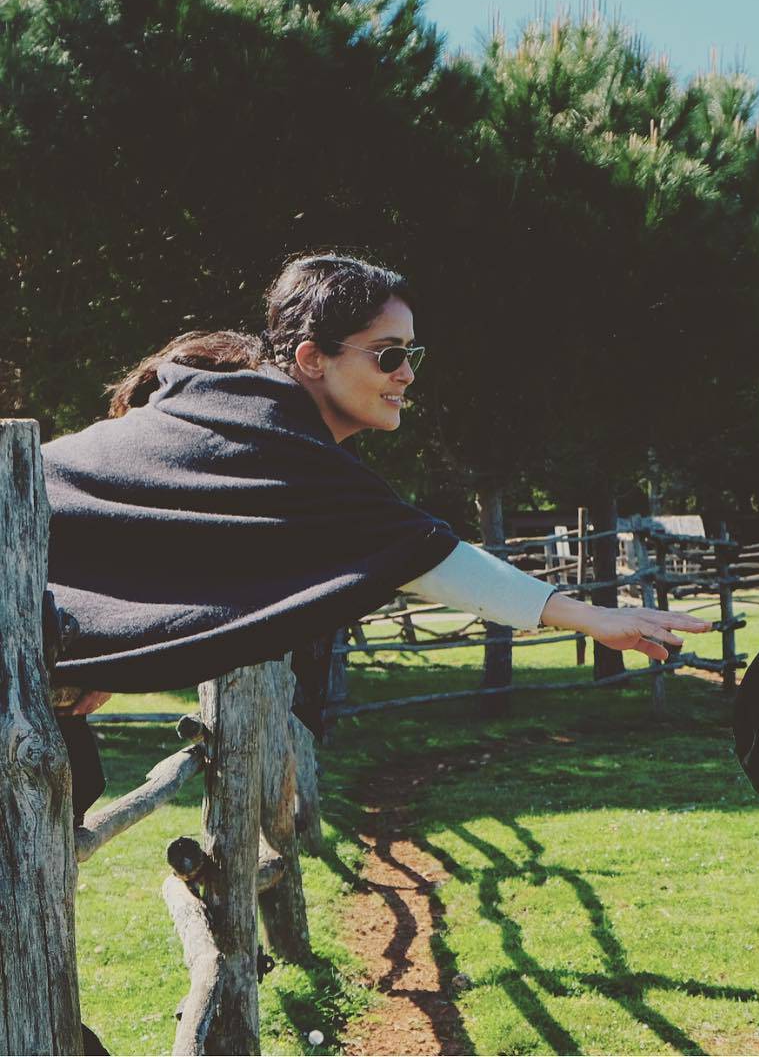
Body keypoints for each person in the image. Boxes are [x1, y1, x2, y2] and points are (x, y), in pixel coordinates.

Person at [45, 254, 710, 806]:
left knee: (64, 784)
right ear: (313, 357)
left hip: (25, 621)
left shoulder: (244, 423)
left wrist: (92, 647)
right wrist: (586, 617)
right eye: (389, 356)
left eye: (412, 353)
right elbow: (423, 552)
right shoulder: (274, 439)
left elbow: (152, 549)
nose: (408, 375)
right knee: (52, 790)